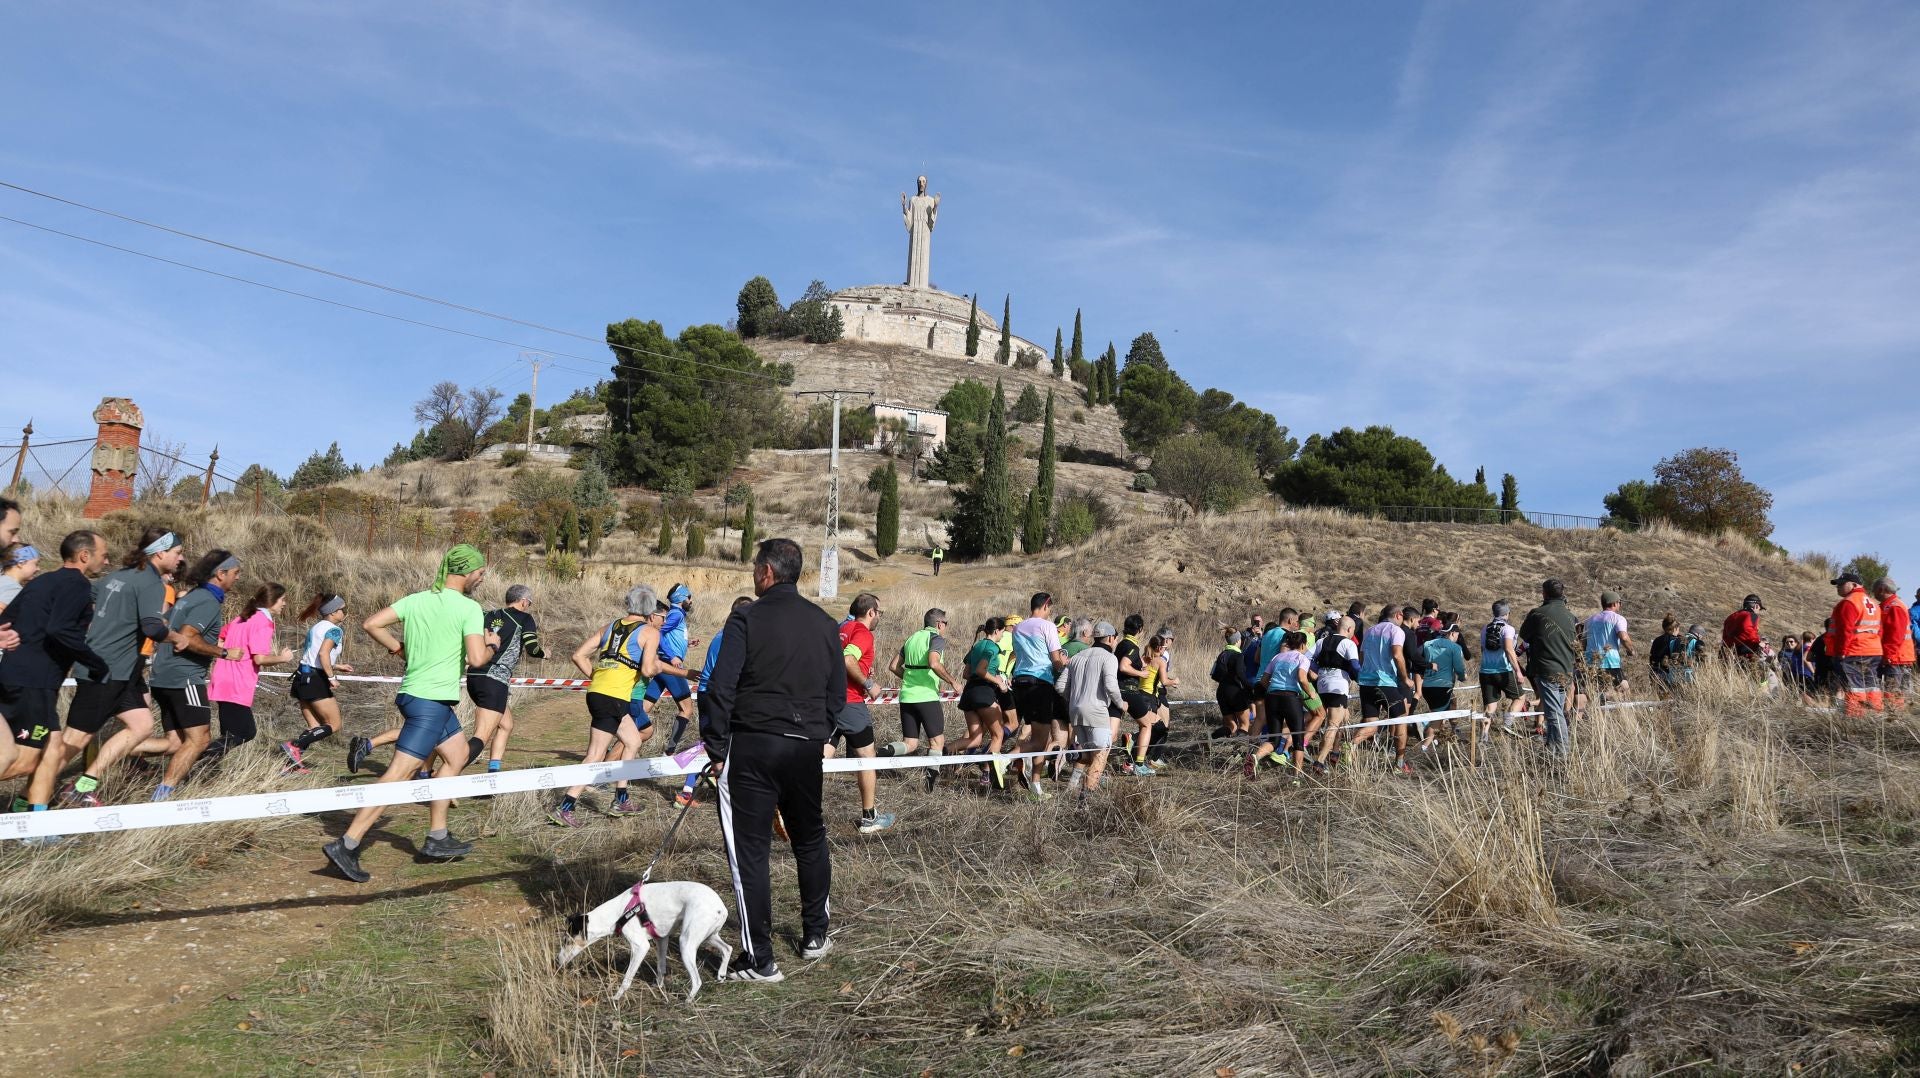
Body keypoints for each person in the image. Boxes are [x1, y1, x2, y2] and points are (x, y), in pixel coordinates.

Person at [702, 538, 842, 983]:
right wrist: (823, 735)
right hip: (805, 746)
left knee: (751, 851)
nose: (752, 576)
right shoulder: (825, 623)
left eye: (753, 569)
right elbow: (836, 694)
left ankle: (759, 958)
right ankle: (816, 935)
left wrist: (716, 748)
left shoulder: (745, 617)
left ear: (766, 573)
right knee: (809, 836)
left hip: (754, 743)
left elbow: (721, 688)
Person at [322, 545, 497, 883]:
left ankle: (438, 836)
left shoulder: (416, 600)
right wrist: (491, 643)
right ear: (465, 573)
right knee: (398, 775)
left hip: (426, 698)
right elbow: (477, 660)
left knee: (458, 754)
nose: (481, 577)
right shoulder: (469, 608)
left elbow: (372, 623)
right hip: (430, 701)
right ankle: (347, 843)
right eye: (479, 572)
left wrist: (399, 649)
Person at [41, 526, 185, 808]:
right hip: (105, 671)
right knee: (74, 741)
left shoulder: (117, 576)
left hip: (123, 672)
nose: (180, 559)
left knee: (142, 725)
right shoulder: (152, 584)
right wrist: (177, 637)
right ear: (160, 553)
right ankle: (27, 801)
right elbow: (153, 627)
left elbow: (87, 596)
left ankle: (83, 785)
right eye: (177, 553)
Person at [0, 532, 110, 810]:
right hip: (33, 683)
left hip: (19, 675)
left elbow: (6, 621)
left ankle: (35, 823)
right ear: (85, 555)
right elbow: (59, 628)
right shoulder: (77, 584)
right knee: (26, 760)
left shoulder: (43, 581)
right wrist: (95, 663)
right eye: (103, 554)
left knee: (53, 749)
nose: (106, 560)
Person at [552, 586, 661, 826]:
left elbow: (578, 655)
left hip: (602, 693)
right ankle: (566, 807)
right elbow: (646, 670)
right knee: (595, 754)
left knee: (633, 740)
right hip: (614, 696)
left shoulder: (610, 627)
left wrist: (598, 677)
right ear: (651, 610)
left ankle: (621, 799)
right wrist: (657, 668)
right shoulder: (650, 633)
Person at [144, 549, 246, 800]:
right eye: (235, 573)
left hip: (162, 674)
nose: (237, 578)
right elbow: (189, 637)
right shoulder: (208, 601)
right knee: (200, 740)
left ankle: (118, 748)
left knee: (176, 742)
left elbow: (165, 625)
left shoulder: (191, 597)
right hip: (185, 677)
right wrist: (223, 653)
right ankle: (162, 795)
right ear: (220, 574)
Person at [449, 583, 544, 775]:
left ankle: (494, 771)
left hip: (474, 676)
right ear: (524, 602)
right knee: (481, 736)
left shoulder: (487, 615)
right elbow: (532, 649)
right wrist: (545, 653)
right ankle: (445, 774)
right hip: (495, 679)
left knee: (506, 725)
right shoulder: (524, 619)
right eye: (530, 603)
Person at [206, 582, 295, 762]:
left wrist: (227, 653)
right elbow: (259, 659)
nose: (284, 603)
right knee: (246, 732)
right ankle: (196, 756)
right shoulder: (264, 622)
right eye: (282, 599)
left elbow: (219, 638)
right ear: (271, 600)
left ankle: (204, 771)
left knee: (229, 734)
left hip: (222, 678)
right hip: (237, 683)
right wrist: (282, 658)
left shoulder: (242, 617)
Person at [833, 592, 895, 833]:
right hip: (850, 703)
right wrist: (868, 685)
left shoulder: (842, 628)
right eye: (879, 612)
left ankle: (790, 804)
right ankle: (869, 817)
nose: (879, 616)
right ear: (871, 612)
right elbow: (848, 660)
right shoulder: (862, 633)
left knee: (821, 758)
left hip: (830, 703)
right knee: (868, 760)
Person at [1008, 592, 1070, 799]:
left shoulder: (1017, 628)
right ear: (1045, 605)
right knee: (1040, 741)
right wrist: (1065, 665)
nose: (1050, 611)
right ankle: (1003, 760)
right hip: (1040, 683)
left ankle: (1036, 787)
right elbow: (1055, 658)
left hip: (1020, 683)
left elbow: (1017, 656)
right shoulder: (1048, 626)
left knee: (1037, 738)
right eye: (1050, 607)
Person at [283, 593, 354, 771]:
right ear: (333, 612)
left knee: (313, 727)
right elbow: (323, 654)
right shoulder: (335, 630)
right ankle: (295, 746)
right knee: (334, 724)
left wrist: (337, 666)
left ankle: (292, 764)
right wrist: (332, 678)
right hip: (315, 680)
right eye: (342, 610)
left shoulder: (316, 627)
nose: (344, 613)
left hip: (301, 678)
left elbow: (313, 656)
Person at [1056, 620, 1123, 795]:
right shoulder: (1109, 658)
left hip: (1075, 711)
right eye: (1115, 638)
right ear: (1109, 638)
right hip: (1096, 711)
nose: (1115, 642)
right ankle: (1085, 801)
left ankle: (1075, 755)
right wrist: (1121, 704)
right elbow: (1110, 685)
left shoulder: (1077, 657)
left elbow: (1060, 686)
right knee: (1101, 755)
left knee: (1090, 754)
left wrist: (1075, 698)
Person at [885, 608, 957, 769]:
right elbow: (934, 663)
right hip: (927, 696)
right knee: (937, 742)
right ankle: (929, 786)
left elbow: (893, 666)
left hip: (907, 696)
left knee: (910, 743)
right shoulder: (936, 638)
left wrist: (910, 678)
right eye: (945, 623)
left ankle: (883, 753)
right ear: (939, 624)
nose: (945, 626)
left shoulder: (912, 638)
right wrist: (954, 682)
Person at [1519, 579, 1579, 755]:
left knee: (1553, 713)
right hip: (1567, 668)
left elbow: (1525, 635)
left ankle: (1563, 753)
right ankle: (1552, 749)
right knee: (1557, 710)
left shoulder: (1537, 614)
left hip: (1546, 669)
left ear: (1544, 593)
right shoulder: (1571, 616)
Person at [1354, 605, 1413, 774]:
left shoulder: (1370, 631)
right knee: (1401, 719)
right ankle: (1399, 764)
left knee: (1372, 725)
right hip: (1385, 682)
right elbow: (1396, 654)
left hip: (1366, 683)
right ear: (1398, 615)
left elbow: (1362, 656)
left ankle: (1350, 745)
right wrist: (1405, 678)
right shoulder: (1396, 630)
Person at [953, 618, 1012, 784]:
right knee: (998, 734)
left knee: (976, 739)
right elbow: (980, 670)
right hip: (984, 693)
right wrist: (998, 681)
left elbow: (966, 673)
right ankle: (988, 770)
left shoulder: (976, 646)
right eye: (1002, 632)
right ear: (996, 631)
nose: (1002, 635)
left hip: (969, 694)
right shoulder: (992, 647)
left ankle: (944, 751)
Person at [1251, 631, 1312, 777]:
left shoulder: (1277, 657)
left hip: (1272, 698)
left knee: (1274, 738)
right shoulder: (1302, 658)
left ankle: (1255, 757)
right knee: (1298, 739)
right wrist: (1311, 693)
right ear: (1303, 645)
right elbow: (1302, 679)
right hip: (1291, 698)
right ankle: (1297, 777)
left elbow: (1264, 681)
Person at [650, 584, 699, 753]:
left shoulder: (676, 615)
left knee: (643, 708)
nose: (691, 600)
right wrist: (672, 656)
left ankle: (617, 749)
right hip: (670, 666)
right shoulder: (676, 615)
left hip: (662, 666)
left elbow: (669, 636)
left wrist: (686, 642)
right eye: (689, 597)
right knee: (687, 709)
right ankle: (669, 752)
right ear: (681, 598)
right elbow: (658, 633)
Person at [1308, 615, 1359, 772]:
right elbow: (1355, 667)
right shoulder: (1348, 643)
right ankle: (1320, 761)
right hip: (1338, 686)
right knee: (1333, 725)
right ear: (1349, 629)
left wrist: (1317, 671)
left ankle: (1335, 752)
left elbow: (1306, 659)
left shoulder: (1321, 641)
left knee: (1345, 718)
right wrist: (1362, 680)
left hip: (1322, 684)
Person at [1113, 615, 1161, 777]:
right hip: (1129, 691)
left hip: (1115, 690)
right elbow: (1124, 666)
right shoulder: (1133, 646)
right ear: (1140, 629)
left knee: (1111, 732)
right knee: (1147, 724)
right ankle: (1139, 764)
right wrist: (1141, 672)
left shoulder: (1120, 644)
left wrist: (1140, 663)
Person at [1478, 601, 1527, 736]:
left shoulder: (1484, 629)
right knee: (1520, 697)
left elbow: (1483, 649)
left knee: (1490, 706)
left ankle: (1484, 737)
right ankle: (1507, 724)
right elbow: (1509, 650)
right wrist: (1518, 671)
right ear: (1507, 613)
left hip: (1485, 671)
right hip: (1503, 671)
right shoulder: (1508, 629)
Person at [1417, 623, 1468, 751]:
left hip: (1427, 686)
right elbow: (1459, 668)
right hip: (1442, 686)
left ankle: (1439, 739)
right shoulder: (1455, 647)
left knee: (1445, 708)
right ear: (1452, 633)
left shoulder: (1428, 644)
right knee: (1437, 720)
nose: (1457, 637)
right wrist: (1462, 677)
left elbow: (1418, 659)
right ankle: (1424, 746)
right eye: (1457, 634)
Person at [1584, 592, 1634, 702]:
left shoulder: (1590, 620)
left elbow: (1583, 642)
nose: (1620, 605)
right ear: (1615, 603)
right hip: (1609, 661)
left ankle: (1600, 715)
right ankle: (1623, 715)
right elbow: (1624, 637)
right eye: (1619, 602)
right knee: (1625, 691)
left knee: (1599, 689)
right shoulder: (1618, 618)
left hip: (1591, 661)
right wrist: (1631, 650)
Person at [1211, 625, 1254, 737]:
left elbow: (1214, 675)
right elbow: (1240, 675)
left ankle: (1212, 738)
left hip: (1221, 692)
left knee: (1231, 727)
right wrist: (1250, 688)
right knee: (1244, 724)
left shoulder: (1222, 655)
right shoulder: (1238, 655)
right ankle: (1239, 751)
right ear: (1238, 640)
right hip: (1234, 692)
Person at [1876, 579, 1913, 710]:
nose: (1874, 593)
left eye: (1875, 590)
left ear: (1881, 589)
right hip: (1896, 656)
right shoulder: (1888, 605)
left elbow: (1895, 634)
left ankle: (1894, 718)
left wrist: (1887, 655)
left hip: (1896, 657)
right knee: (1892, 691)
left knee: (1892, 691)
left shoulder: (1894, 606)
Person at [1648, 614, 1693, 693]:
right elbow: (1677, 660)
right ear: (1675, 629)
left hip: (1654, 673)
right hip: (1668, 675)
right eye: (1678, 628)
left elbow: (1651, 657)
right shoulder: (1676, 641)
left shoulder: (1656, 640)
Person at [1722, 594, 1765, 665]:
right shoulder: (1751, 615)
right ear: (1756, 606)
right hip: (1745, 653)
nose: (1758, 611)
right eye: (1759, 609)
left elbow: (1725, 634)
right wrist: (1757, 642)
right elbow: (1748, 629)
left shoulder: (1731, 617)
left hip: (1729, 653)